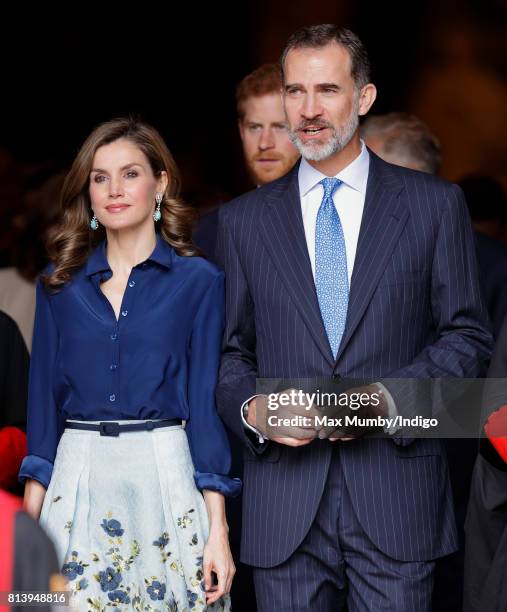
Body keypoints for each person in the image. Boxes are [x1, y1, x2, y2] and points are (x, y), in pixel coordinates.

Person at [215, 25, 492, 611]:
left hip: (397, 501)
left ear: (363, 98)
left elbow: (467, 338)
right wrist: (252, 410)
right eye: (295, 92)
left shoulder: (433, 206)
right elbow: (231, 352)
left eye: (327, 91)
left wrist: (384, 402)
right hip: (283, 509)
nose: (308, 111)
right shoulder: (243, 222)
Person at [18, 117, 240, 611]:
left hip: (164, 475)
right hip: (75, 482)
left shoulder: (200, 281)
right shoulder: (58, 285)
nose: (114, 190)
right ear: (88, 192)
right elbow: (42, 414)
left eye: (130, 174)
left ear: (160, 183)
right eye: (100, 177)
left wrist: (218, 532)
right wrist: (27, 535)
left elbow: (205, 412)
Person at [193, 64, 299, 260]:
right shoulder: (208, 235)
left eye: (280, 127)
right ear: (241, 131)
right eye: (255, 127)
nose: (265, 143)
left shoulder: (339, 222)